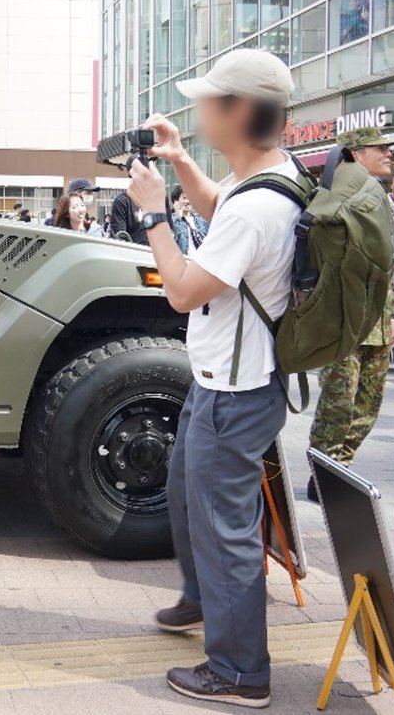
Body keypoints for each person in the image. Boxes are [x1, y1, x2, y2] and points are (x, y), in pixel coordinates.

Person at [125, 49, 301, 708]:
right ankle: (203, 602)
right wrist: (177, 162)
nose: (195, 111)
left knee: (225, 526)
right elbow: (218, 204)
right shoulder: (266, 179)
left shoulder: (258, 210)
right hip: (228, 382)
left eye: (207, 100)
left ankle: (239, 672)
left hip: (235, 391)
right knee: (186, 494)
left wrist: (152, 216)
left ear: (240, 112)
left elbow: (182, 289)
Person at [306, 127, 394, 503]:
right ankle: (323, 472)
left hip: (375, 320)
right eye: (381, 148)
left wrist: (390, 315)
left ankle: (340, 467)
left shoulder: (382, 198)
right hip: (344, 318)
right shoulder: (335, 195)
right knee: (338, 401)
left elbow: (384, 266)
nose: (389, 155)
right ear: (357, 154)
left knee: (367, 403)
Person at [170, 185, 208, 255]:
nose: (188, 201)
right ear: (176, 201)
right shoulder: (171, 221)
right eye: (184, 198)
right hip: (184, 262)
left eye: (190, 198)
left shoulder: (200, 221)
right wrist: (178, 217)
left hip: (200, 262)